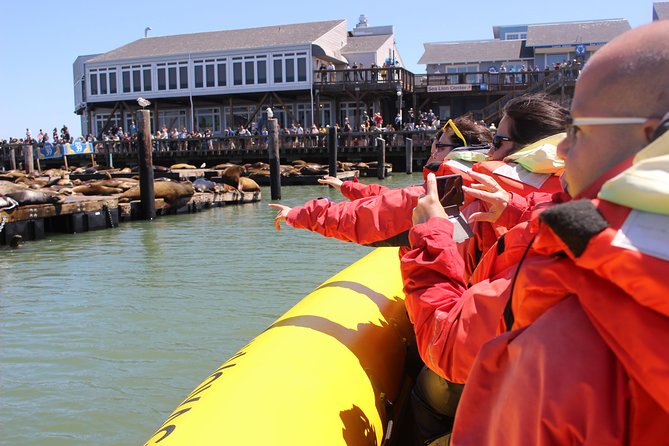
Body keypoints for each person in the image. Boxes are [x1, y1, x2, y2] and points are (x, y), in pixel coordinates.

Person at [401, 21, 669, 444]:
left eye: (578, 129)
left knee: (432, 395)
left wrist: (431, 236)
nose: (561, 150)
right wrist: (517, 210)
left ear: (652, 136)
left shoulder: (570, 262)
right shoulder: (577, 226)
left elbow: (448, 343)